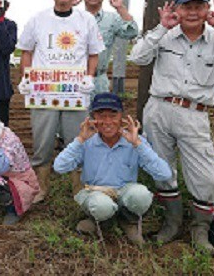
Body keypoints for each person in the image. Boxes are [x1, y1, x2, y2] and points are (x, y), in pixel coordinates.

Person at [129, 0, 214, 254]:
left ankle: (200, 230)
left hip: (194, 113)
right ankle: (171, 223)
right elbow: (137, 56)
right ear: (177, 9)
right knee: (162, 169)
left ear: (208, 10)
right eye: (187, 7)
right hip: (159, 109)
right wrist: (161, 27)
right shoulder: (164, 35)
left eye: (199, 7)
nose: (193, 12)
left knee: (206, 176)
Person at [17, 0, 104, 203]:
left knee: (77, 137)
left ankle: (78, 187)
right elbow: (26, 51)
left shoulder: (86, 20)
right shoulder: (38, 19)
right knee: (43, 140)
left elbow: (93, 53)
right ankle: (41, 186)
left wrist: (89, 76)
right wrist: (26, 77)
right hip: (44, 92)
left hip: (74, 92)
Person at [53, 93, 171, 246]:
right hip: (94, 192)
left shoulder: (134, 141)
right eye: (101, 116)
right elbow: (59, 167)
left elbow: (164, 173)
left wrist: (137, 144)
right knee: (102, 206)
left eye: (113, 115)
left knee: (141, 195)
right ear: (93, 118)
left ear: (122, 117)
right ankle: (101, 223)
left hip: (124, 192)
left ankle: (128, 221)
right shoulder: (86, 141)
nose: (107, 122)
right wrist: (80, 140)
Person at [81, 0, 138, 97]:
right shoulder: (74, 18)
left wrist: (120, 7)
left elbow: (132, 32)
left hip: (99, 81)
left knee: (100, 114)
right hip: (75, 79)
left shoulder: (112, 19)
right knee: (75, 115)